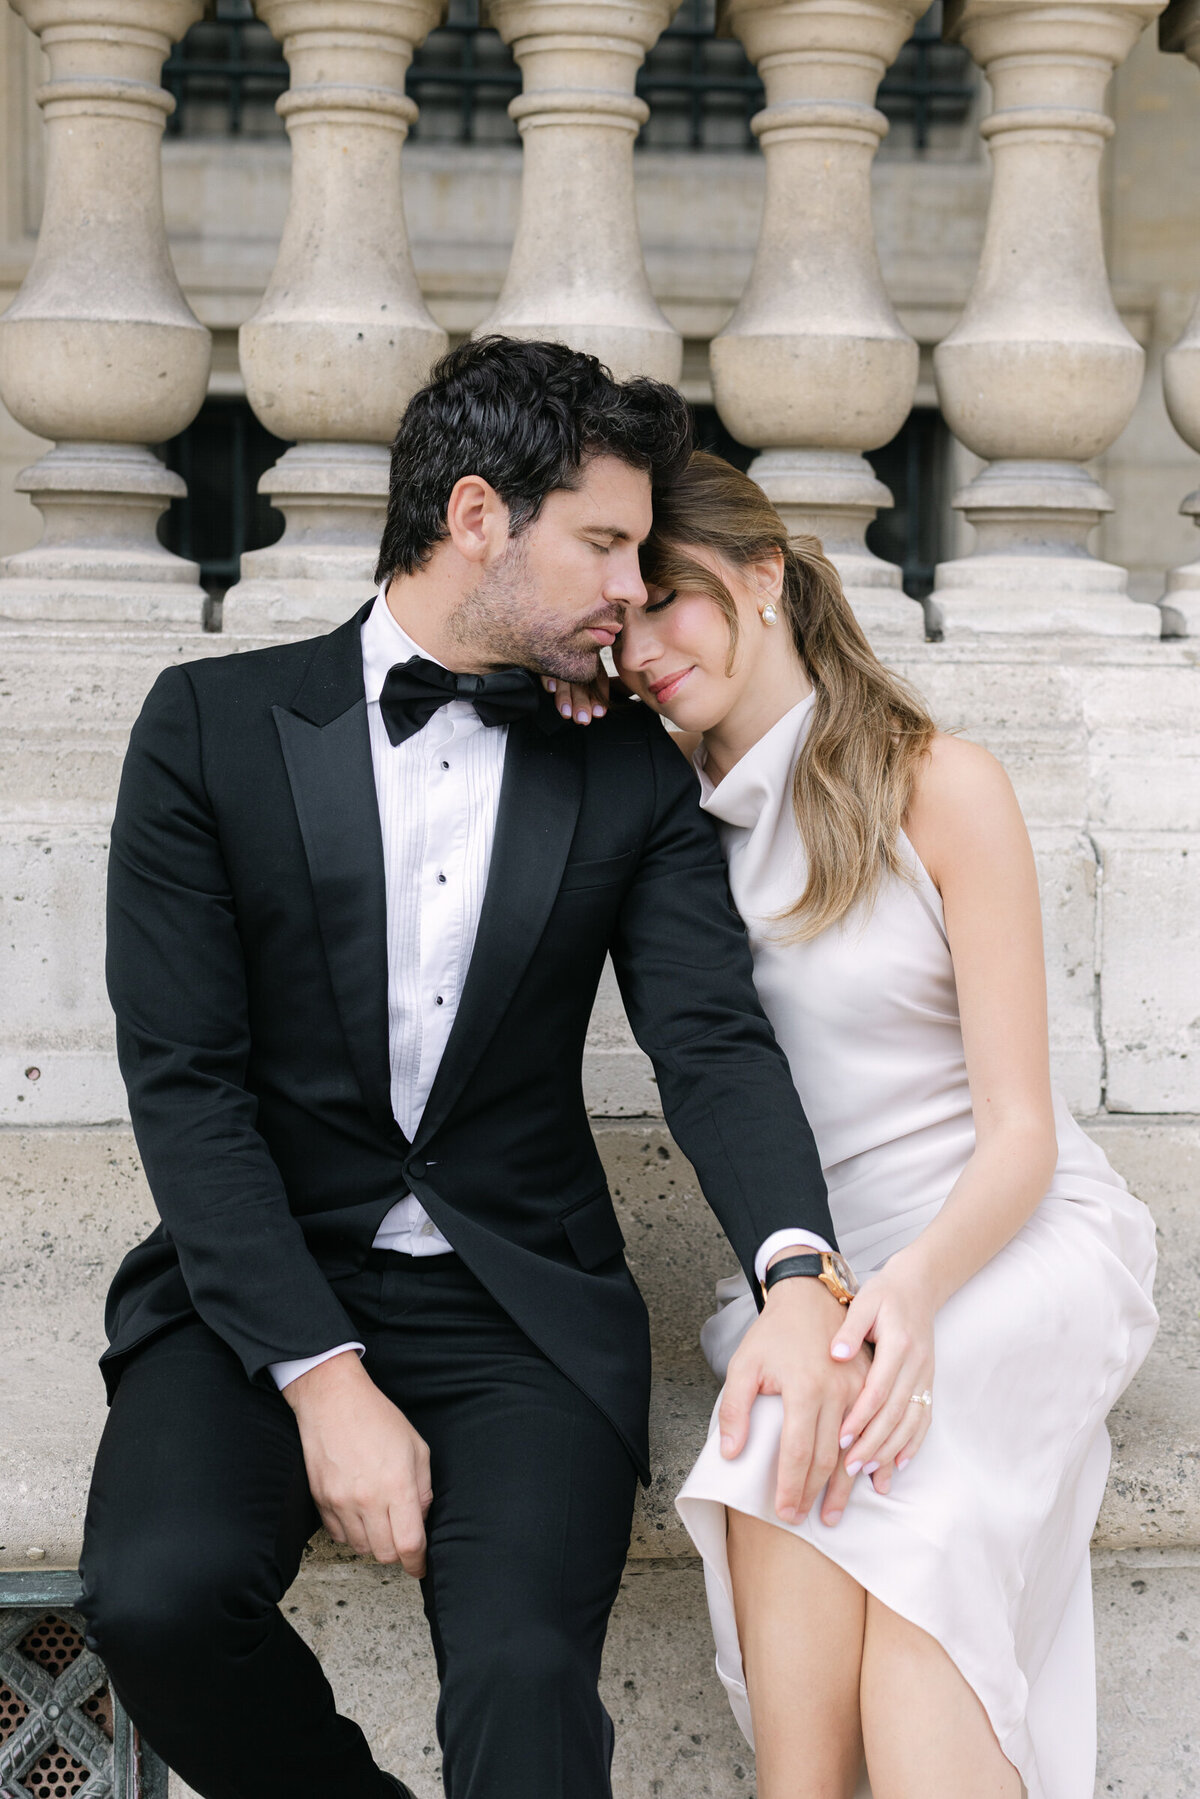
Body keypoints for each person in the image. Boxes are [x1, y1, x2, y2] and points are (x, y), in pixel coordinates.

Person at [77, 342, 876, 1799]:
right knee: (158, 1598)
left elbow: (709, 1041)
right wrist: (323, 1382)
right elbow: (186, 1084)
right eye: (608, 544)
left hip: (522, 1308)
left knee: (523, 1689)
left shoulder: (627, 766)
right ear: (476, 518)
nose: (634, 589)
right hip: (255, 1295)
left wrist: (799, 1269)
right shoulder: (208, 729)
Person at [591, 449, 1156, 1799]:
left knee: (917, 1543)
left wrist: (912, 1289)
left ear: (767, 575)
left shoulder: (938, 783)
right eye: (616, 629)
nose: (644, 651)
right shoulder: (668, 843)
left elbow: (1022, 1128)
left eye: (670, 598)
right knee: (785, 1442)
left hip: (1004, 1241)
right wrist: (836, 1295)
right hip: (815, 1272)